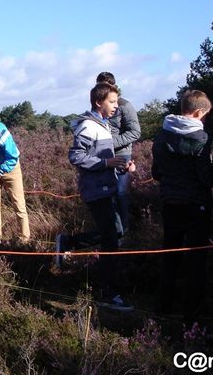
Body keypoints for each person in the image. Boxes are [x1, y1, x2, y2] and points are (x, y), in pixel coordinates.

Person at [60, 82, 136, 311]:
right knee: (111, 239)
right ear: (98, 102)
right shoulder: (88, 126)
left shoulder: (103, 126)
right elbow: (76, 156)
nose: (116, 106)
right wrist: (105, 163)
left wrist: (122, 167)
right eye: (112, 102)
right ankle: (108, 294)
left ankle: (69, 243)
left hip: (106, 187)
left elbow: (105, 160)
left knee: (116, 232)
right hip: (96, 191)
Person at [152, 90, 213, 324]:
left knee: (169, 256)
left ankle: (161, 309)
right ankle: (191, 317)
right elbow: (205, 179)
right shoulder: (200, 139)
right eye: (205, 116)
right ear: (198, 112)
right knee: (195, 262)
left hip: (170, 204)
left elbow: (156, 173)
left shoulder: (162, 135)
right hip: (196, 207)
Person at [97, 72, 141, 237]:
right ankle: (112, 230)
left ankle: (124, 231)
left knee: (120, 194)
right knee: (106, 193)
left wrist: (111, 144)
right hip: (102, 156)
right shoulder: (98, 106)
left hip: (122, 155)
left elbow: (135, 132)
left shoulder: (125, 106)